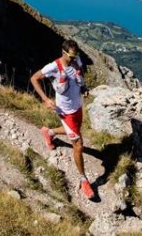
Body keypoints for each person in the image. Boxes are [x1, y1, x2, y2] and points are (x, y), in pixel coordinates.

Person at [30, 39, 95, 199]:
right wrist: (45, 99)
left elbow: (78, 78)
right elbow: (34, 78)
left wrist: (83, 88)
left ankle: (49, 132)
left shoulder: (77, 60)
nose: (73, 59)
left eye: (75, 56)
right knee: (78, 145)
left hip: (77, 107)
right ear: (63, 53)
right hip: (65, 111)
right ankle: (84, 180)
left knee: (74, 131)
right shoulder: (53, 67)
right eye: (71, 57)